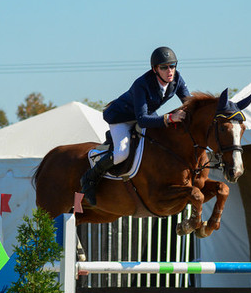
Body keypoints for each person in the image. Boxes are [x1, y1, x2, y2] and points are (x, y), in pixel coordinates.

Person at [80, 46, 192, 205]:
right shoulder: (142, 84)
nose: (170, 71)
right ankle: (90, 178)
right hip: (122, 118)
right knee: (122, 152)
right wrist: (169, 118)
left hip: (145, 114)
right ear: (155, 69)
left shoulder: (177, 79)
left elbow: (190, 103)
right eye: (164, 67)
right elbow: (142, 120)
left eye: (172, 66)